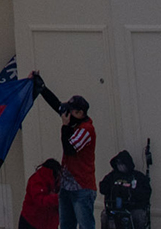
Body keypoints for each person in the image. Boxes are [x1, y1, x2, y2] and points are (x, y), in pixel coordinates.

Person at [30, 76, 96, 229]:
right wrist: (42, 88)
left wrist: (64, 127)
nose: (67, 114)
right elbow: (57, 106)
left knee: (85, 225)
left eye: (72, 111)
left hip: (82, 187)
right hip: (66, 187)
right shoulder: (74, 120)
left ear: (80, 113)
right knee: (66, 224)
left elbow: (70, 150)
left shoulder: (86, 130)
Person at [97, 151, 148, 229]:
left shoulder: (137, 176)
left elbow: (146, 193)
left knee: (138, 216)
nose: (120, 166)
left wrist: (130, 191)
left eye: (122, 164)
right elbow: (103, 188)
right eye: (118, 164)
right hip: (114, 207)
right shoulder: (112, 176)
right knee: (105, 215)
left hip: (133, 208)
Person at [19, 158, 61, 229]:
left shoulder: (58, 184)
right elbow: (40, 201)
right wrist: (58, 198)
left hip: (47, 224)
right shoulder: (36, 180)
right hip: (31, 223)